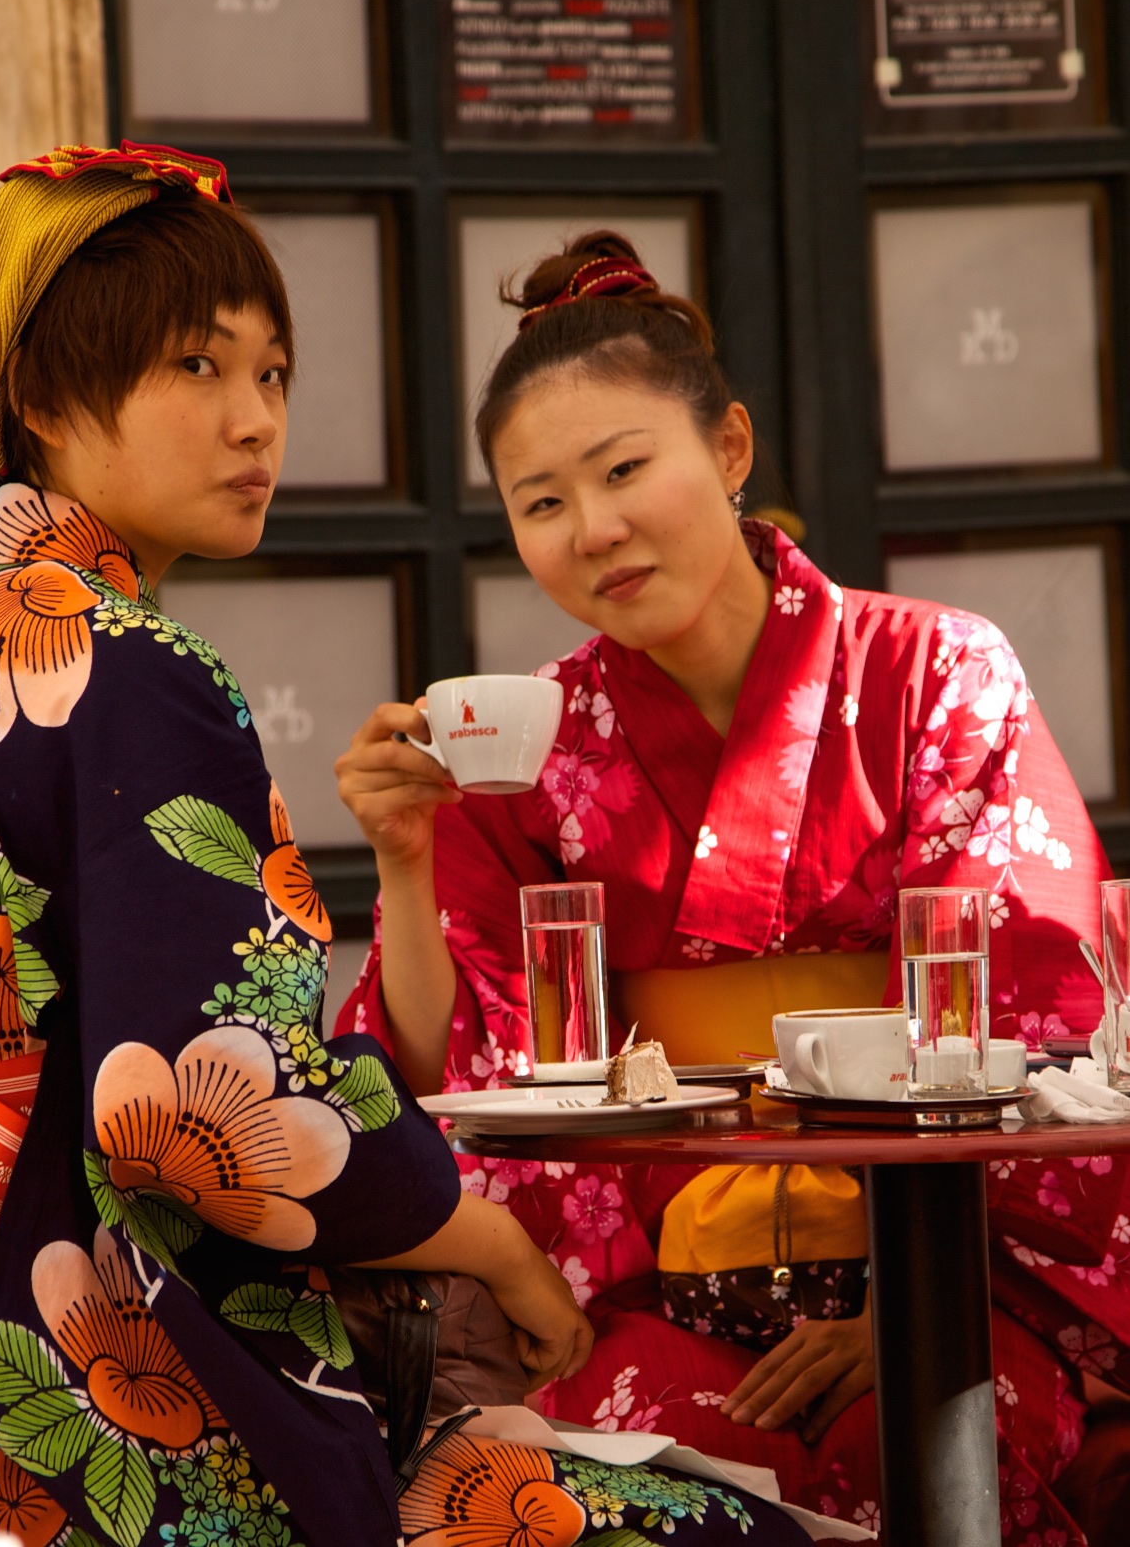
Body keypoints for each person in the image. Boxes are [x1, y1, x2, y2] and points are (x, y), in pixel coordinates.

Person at [0, 157, 808, 1547]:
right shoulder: (140, 667)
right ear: (38, 400)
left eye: (274, 375)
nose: (255, 421)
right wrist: (496, 1243)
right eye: (197, 367)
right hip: (150, 1411)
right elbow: (197, 1114)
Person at [336, 230, 1129, 1545]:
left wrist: (905, 1297)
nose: (592, 530)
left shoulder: (934, 673)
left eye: (625, 469)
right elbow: (444, 1064)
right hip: (663, 1293)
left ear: (733, 451)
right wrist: (405, 865)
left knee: (926, 1443)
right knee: (572, 1493)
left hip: (946, 1276)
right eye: (540, 503)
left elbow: (1030, 1012)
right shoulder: (527, 749)